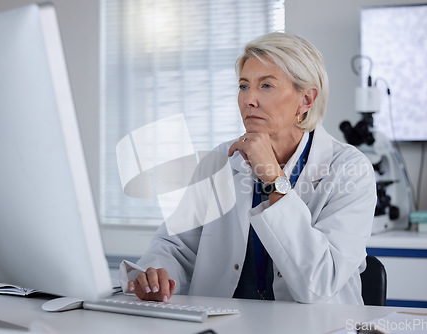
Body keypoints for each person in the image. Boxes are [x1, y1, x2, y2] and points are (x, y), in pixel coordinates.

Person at [124, 32, 377, 304]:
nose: (248, 100)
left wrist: (272, 176)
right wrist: (157, 272)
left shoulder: (349, 169)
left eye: (266, 86)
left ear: (306, 100)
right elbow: (176, 246)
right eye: (244, 86)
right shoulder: (219, 161)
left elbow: (319, 283)